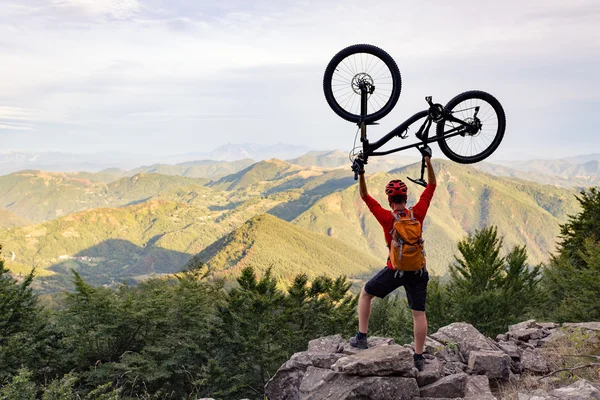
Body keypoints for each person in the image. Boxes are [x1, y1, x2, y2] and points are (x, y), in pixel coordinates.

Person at [349, 146, 436, 371]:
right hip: (418, 270)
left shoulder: (387, 218)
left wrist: (361, 174)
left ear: (389, 200)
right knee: (419, 313)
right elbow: (432, 186)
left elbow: (365, 197)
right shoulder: (418, 213)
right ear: (406, 198)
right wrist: (427, 160)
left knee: (366, 293)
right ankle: (418, 357)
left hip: (395, 270)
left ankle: (362, 337)